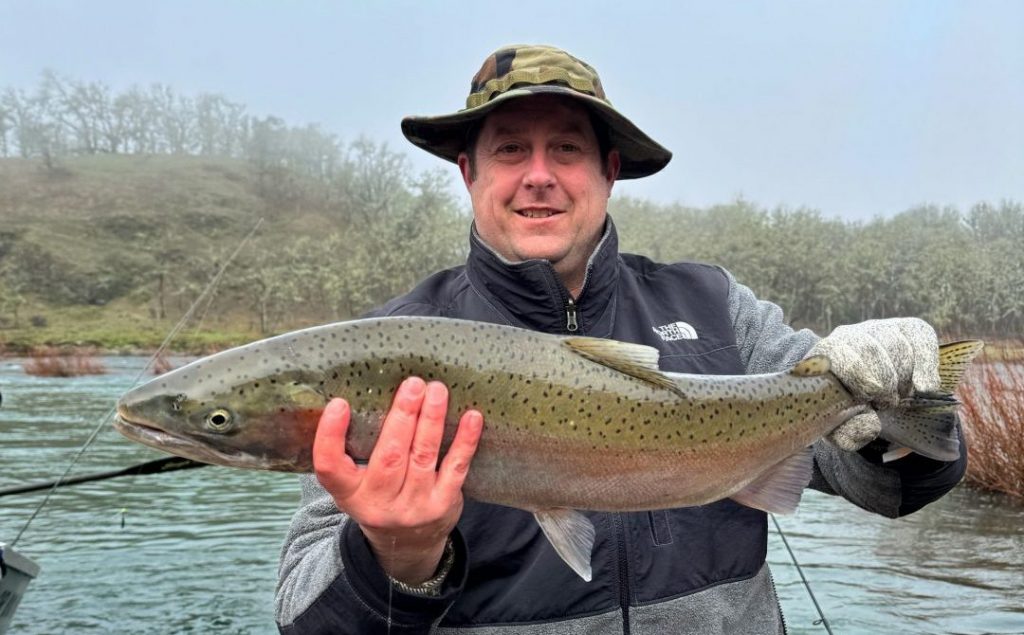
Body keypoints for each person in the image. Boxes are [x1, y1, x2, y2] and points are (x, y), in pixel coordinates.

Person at [275, 44, 966, 634]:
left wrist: (904, 404)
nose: (538, 174)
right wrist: (397, 555)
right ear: (469, 173)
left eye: (566, 149)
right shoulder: (386, 353)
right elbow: (303, 615)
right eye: (510, 148)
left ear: (608, 172)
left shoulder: (718, 307)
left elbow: (893, 486)